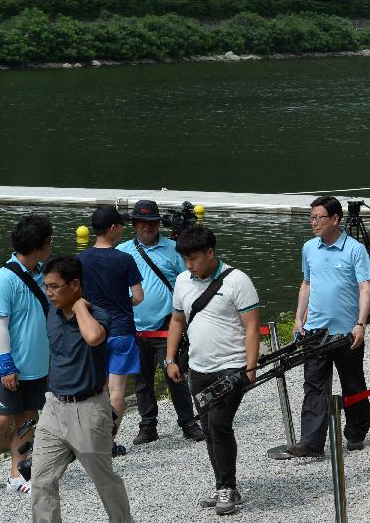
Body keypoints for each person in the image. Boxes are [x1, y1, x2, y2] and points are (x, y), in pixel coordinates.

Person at [164, 227, 260, 516]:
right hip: (197, 368)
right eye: (184, 259)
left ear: (210, 253)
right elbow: (177, 321)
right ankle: (224, 484)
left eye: (193, 259)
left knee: (219, 424)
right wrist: (170, 359)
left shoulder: (237, 280)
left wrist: (250, 370)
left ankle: (227, 487)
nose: (188, 265)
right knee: (208, 428)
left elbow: (252, 326)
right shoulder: (181, 281)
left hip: (231, 367)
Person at [31, 256, 134, 523]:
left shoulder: (98, 315)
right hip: (53, 407)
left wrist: (79, 307)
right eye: (46, 286)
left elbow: (93, 337)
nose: (49, 292)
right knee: (41, 479)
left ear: (75, 284)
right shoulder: (51, 310)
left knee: (104, 480)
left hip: (88, 410)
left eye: (55, 286)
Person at [288, 196, 370, 457]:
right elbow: (307, 284)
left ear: (336, 219)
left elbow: (365, 288)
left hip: (347, 332)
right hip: (315, 331)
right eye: (311, 218)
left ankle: (356, 433)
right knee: (314, 385)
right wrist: (298, 317)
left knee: (352, 383)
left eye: (319, 218)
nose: (314, 222)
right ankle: (312, 443)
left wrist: (361, 323)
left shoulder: (355, 249)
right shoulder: (309, 248)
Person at [0, 214, 52, 495]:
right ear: (40, 244)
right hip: (12, 365)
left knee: (28, 418)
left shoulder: (45, 273)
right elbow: (0, 324)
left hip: (37, 364)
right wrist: (6, 364)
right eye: (49, 239)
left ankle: (18, 473)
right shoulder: (4, 278)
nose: (52, 243)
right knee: (2, 418)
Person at [116, 200, 203, 446]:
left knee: (174, 374)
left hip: (167, 326)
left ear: (159, 224)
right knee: (141, 379)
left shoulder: (175, 249)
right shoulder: (122, 252)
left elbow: (189, 282)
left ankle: (188, 421)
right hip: (134, 328)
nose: (148, 226)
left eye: (152, 221)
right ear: (134, 224)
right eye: (143, 222)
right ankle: (148, 424)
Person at [78, 206, 144, 457]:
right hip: (121, 330)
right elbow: (138, 296)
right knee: (117, 392)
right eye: (121, 225)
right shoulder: (124, 259)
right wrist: (122, 302)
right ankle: (108, 442)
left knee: (95, 389)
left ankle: (89, 439)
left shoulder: (81, 260)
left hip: (93, 331)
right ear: (114, 228)